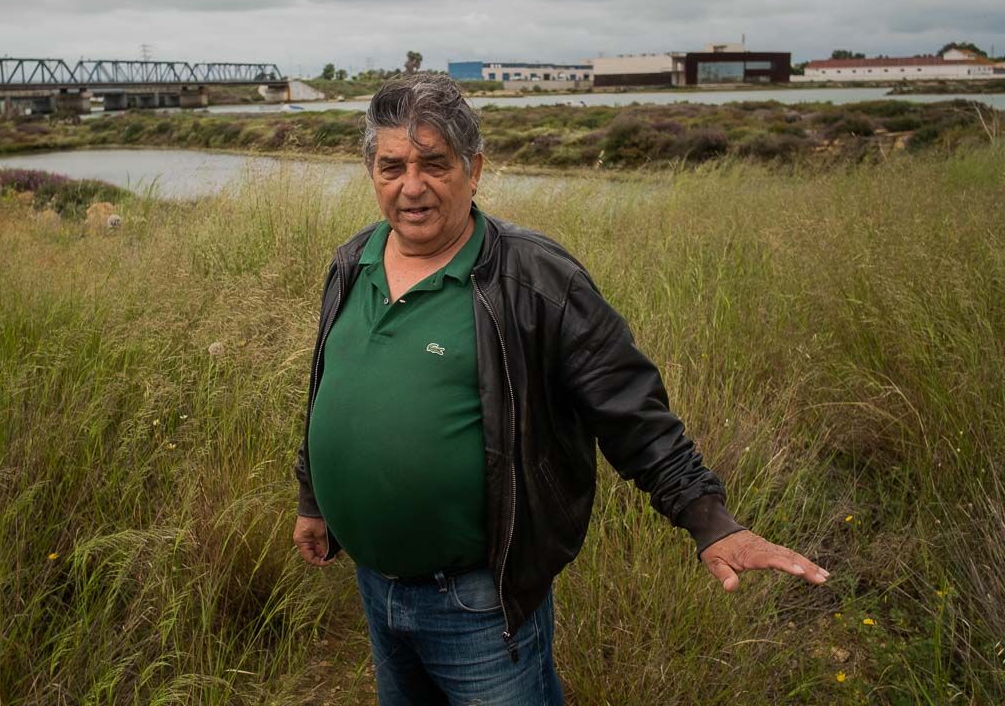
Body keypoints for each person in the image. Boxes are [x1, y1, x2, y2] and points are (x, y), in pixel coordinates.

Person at [293, 73, 828, 705]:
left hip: (479, 604)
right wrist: (314, 498)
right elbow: (331, 386)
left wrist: (710, 521)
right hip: (375, 585)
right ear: (372, 173)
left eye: (434, 164)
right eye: (392, 167)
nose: (411, 186)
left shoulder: (534, 277)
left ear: (474, 170)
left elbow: (630, 408)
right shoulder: (353, 260)